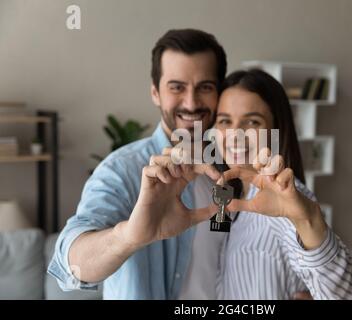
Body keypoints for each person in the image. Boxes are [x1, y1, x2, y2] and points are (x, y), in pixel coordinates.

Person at [48, 29, 227, 299]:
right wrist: (129, 237)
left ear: (219, 93)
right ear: (155, 93)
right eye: (177, 87)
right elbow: (71, 263)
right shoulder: (121, 170)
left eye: (205, 87)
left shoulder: (228, 168)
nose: (191, 103)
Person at [152, 69, 352, 299]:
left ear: (275, 129)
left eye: (252, 121)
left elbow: (341, 294)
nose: (235, 134)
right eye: (225, 121)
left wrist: (306, 220)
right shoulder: (232, 192)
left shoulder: (286, 200)